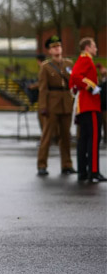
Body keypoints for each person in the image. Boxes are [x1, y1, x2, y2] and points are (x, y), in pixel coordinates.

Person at [36, 36, 76, 176]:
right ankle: (42, 165)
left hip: (66, 103)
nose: (57, 49)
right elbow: (43, 89)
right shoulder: (46, 67)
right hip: (52, 104)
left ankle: (67, 164)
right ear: (49, 51)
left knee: (66, 136)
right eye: (53, 47)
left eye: (58, 46)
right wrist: (43, 107)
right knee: (47, 136)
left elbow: (73, 82)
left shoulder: (68, 64)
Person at [69, 38, 105, 182]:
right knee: (94, 139)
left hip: (84, 105)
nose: (96, 49)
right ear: (87, 47)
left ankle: (83, 171)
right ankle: (94, 171)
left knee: (83, 140)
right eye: (94, 46)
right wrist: (92, 87)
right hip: (90, 105)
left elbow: (73, 82)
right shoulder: (86, 59)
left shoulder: (82, 60)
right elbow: (76, 77)